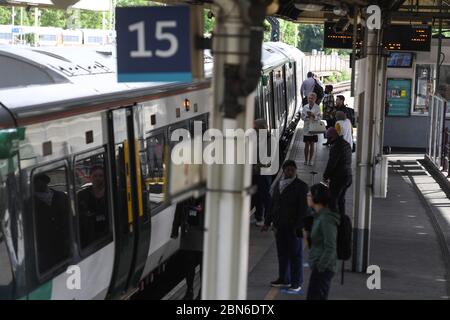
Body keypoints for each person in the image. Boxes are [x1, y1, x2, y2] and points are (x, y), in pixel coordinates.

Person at [262, 160, 308, 293]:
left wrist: (299, 227)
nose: (290, 172)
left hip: (294, 227)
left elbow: (303, 210)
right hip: (279, 226)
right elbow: (272, 205)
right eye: (288, 170)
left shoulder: (301, 186)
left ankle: (296, 282)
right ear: (283, 170)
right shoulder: (278, 184)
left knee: (295, 255)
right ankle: (284, 278)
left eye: (293, 170)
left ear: (296, 170)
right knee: (282, 254)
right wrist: (267, 222)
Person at [305, 183, 340, 300]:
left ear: (316, 198)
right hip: (319, 266)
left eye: (309, 195)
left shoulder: (326, 219)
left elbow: (330, 246)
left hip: (323, 268)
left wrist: (320, 267)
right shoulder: (318, 216)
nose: (307, 196)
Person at [33, 173, 70, 273]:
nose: (39, 183)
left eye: (41, 180)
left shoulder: (61, 196)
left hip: (65, 247)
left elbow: (70, 219)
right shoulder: (29, 204)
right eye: (36, 182)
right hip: (45, 252)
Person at [171, 197, 205, 300]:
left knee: (199, 265)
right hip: (189, 231)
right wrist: (175, 229)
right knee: (189, 265)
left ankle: (199, 291)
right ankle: (190, 290)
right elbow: (179, 207)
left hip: (203, 231)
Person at [323, 128, 352, 217]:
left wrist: (325, 176)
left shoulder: (336, 146)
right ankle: (342, 219)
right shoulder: (346, 144)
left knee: (333, 200)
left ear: (335, 136)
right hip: (348, 176)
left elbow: (332, 163)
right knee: (341, 199)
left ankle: (335, 220)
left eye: (329, 138)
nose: (328, 141)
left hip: (339, 178)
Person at [77, 164, 108, 248]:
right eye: (95, 176)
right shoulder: (82, 195)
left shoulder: (112, 192)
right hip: (90, 237)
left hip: (109, 234)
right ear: (90, 178)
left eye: (101, 176)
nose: (98, 178)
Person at [251, 118, 272, 227]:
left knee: (265, 196)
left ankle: (268, 219)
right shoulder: (259, 137)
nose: (254, 130)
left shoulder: (269, 139)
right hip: (256, 173)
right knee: (256, 196)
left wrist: (257, 166)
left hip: (264, 173)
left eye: (256, 128)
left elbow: (267, 159)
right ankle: (259, 217)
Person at [300, 92, 321, 166]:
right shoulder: (305, 107)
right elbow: (302, 117)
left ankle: (310, 160)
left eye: (312, 98)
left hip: (314, 129)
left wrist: (314, 116)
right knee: (306, 144)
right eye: (309, 98)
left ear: (315, 99)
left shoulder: (317, 107)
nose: (310, 100)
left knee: (312, 144)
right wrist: (307, 117)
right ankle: (305, 160)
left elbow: (319, 118)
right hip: (306, 128)